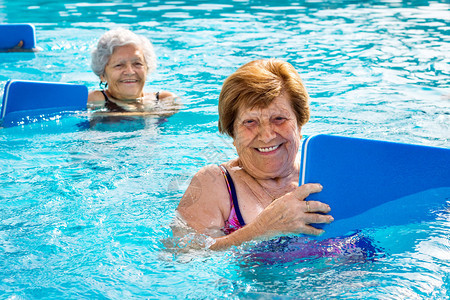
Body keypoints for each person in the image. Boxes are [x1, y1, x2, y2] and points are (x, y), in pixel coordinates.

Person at [176, 58, 334, 250]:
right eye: (250, 122)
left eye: (279, 119)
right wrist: (261, 230)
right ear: (232, 133)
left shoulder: (328, 174)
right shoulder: (214, 183)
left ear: (300, 125)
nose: (266, 136)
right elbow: (181, 254)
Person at [88, 28, 177, 115]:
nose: (130, 71)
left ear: (147, 68)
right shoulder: (97, 99)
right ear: (102, 75)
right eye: (119, 65)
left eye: (137, 63)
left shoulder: (163, 100)